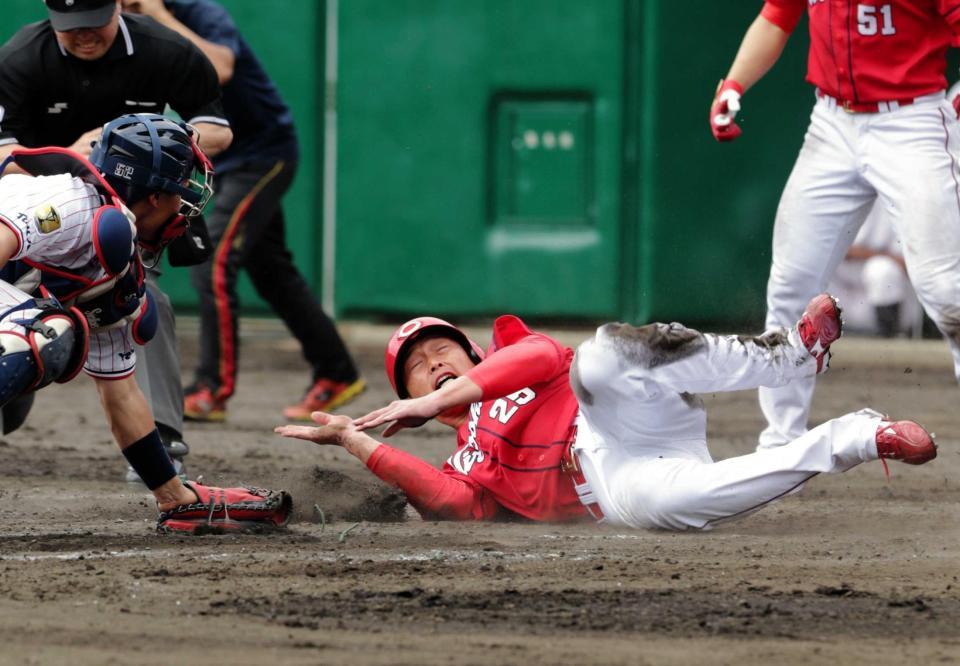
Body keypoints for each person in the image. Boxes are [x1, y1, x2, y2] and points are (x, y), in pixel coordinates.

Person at [276, 295, 935, 530]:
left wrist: (434, 398)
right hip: (612, 487)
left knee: (599, 357)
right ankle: (855, 439)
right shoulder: (462, 462)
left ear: (473, 350)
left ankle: (790, 356)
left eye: (443, 348)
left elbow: (543, 354)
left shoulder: (511, 355)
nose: (433, 362)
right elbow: (453, 504)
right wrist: (355, 444)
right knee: (679, 507)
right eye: (416, 365)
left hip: (618, 416)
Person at [0, 113, 290, 533]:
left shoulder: (116, 269)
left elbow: (121, 396)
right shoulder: (68, 203)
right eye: (181, 190)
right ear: (154, 197)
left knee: (51, 338)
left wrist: (175, 495)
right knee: (42, 334)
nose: (186, 204)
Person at [710, 1, 960, 450]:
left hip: (911, 120)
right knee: (791, 288)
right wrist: (734, 82)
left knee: (947, 292)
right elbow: (777, 15)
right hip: (831, 123)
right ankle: (781, 444)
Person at [0, 0, 234, 476]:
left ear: (117, 8)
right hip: (41, 206)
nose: (84, 35)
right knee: (35, 330)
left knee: (142, 304)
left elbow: (218, 131)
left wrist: (140, 142)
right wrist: (73, 157)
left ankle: (163, 438)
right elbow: (3, 154)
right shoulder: (21, 56)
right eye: (71, 28)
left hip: (136, 208)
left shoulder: (164, 48)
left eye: (94, 23)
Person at [120, 0, 364, 423]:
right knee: (272, 273)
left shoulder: (199, 12)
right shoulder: (122, 31)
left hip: (262, 156)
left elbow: (221, 68)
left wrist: (159, 14)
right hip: (221, 162)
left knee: (213, 260)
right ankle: (337, 372)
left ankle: (211, 388)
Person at [827, 207, 922, 338]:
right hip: (839, 295)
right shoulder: (831, 194)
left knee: (882, 270)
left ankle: (890, 345)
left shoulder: (898, 198)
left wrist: (858, 252)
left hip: (882, 300)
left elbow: (909, 262)